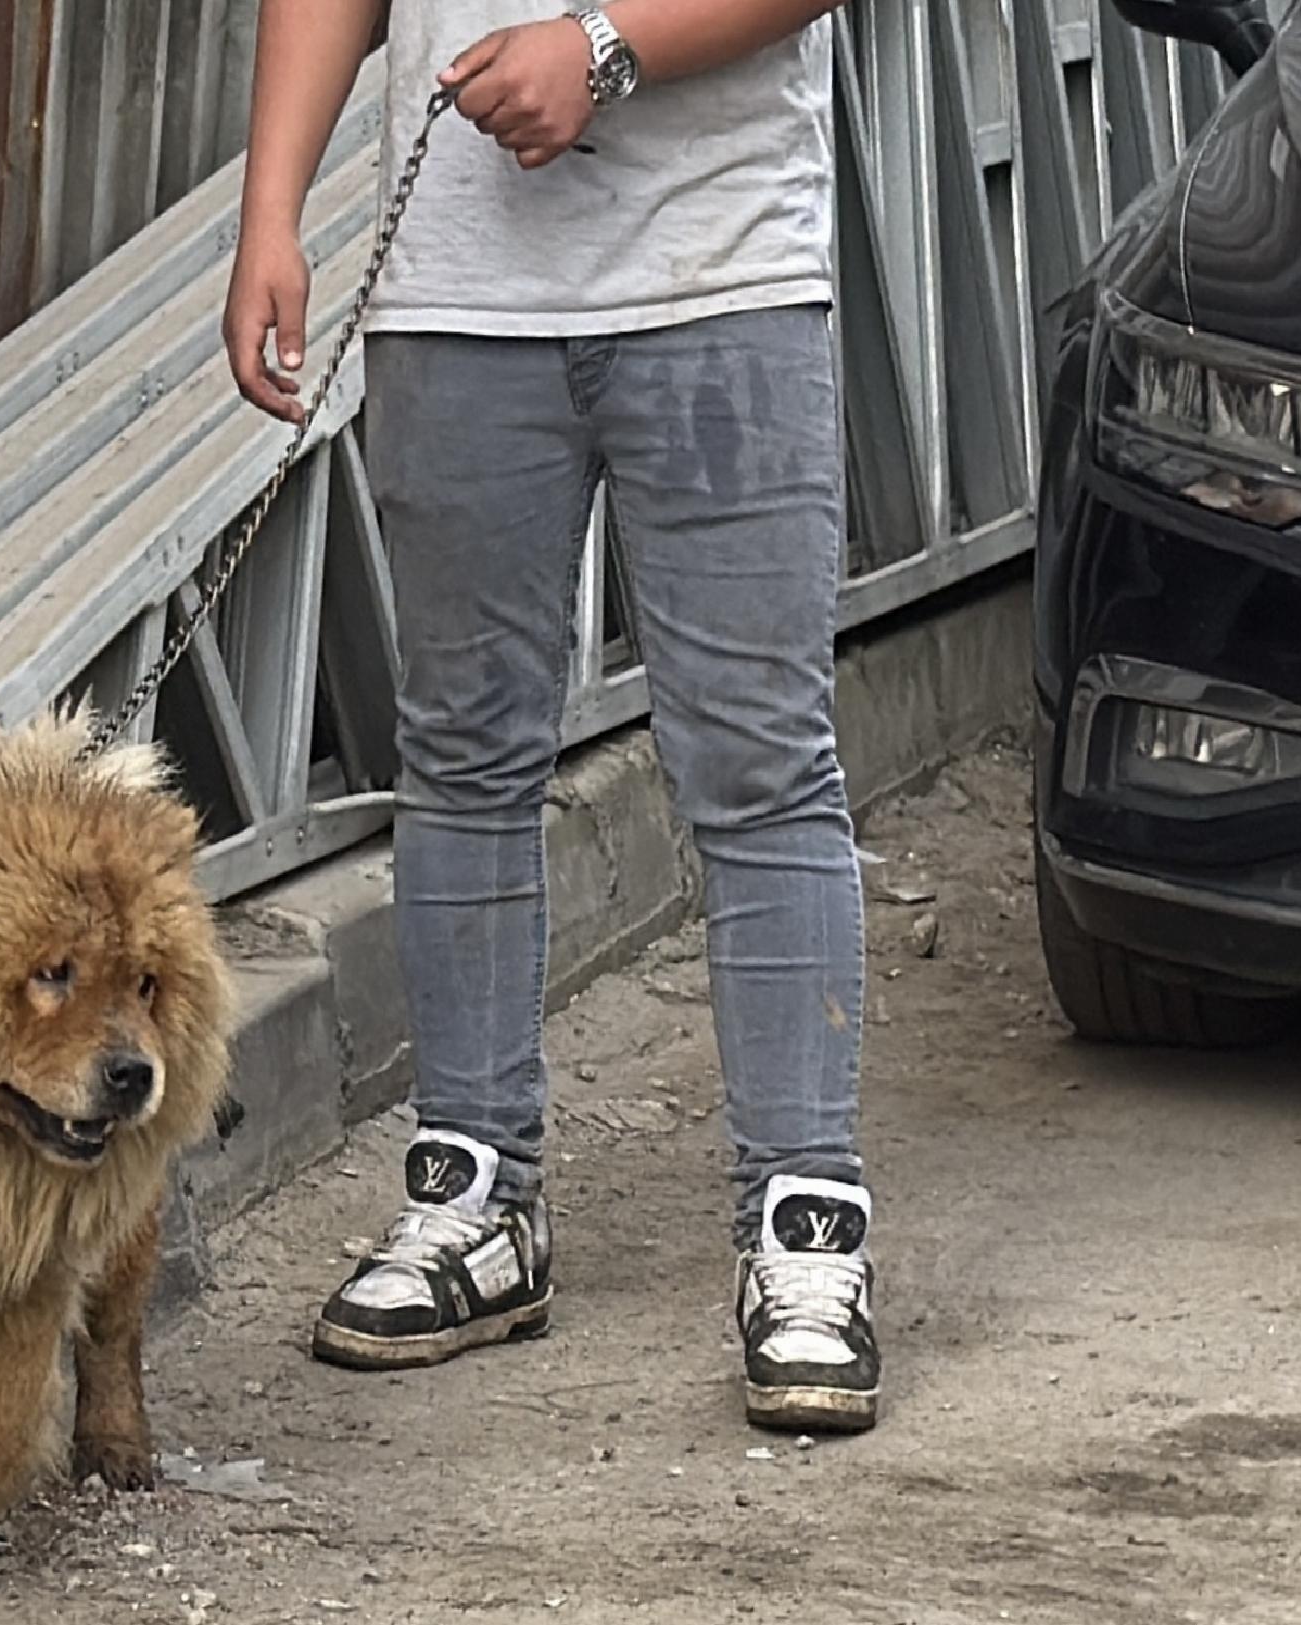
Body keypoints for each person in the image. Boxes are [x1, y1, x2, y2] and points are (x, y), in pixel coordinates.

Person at [222, 0, 879, 1432]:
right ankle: (474, 1201)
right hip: (457, 299)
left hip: (724, 277)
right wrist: (270, 210)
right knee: (458, 755)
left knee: (762, 765)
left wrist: (606, 49)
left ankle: (804, 1226)